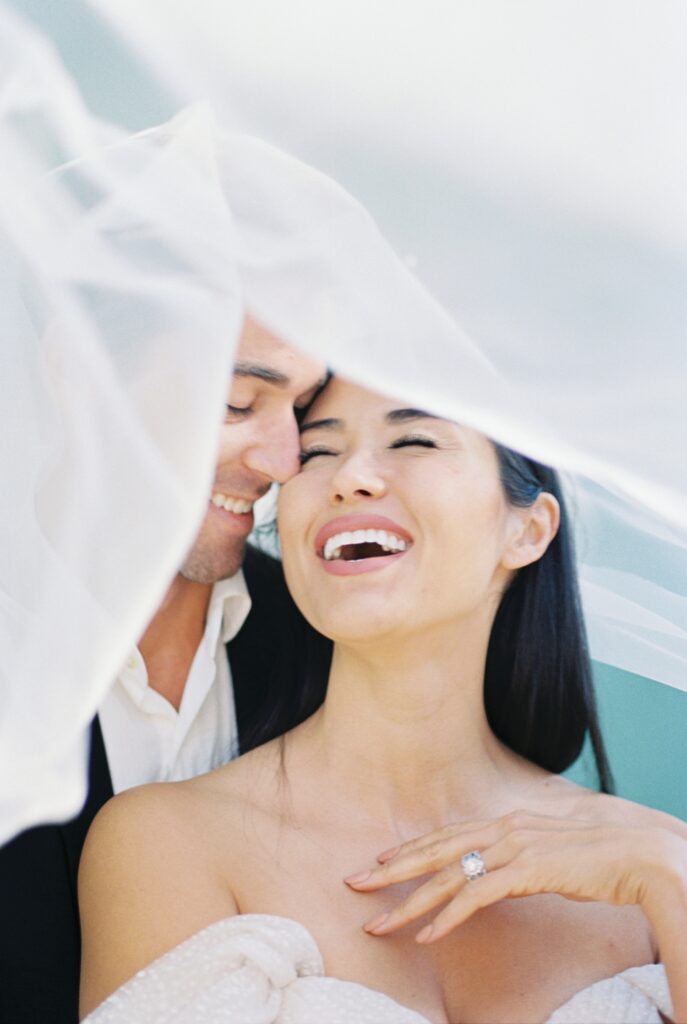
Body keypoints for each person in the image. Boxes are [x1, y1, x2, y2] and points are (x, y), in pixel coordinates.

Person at [79, 378, 687, 1024]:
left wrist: (672, 882)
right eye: (316, 454)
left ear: (528, 531)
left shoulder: (641, 870)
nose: (350, 478)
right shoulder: (170, 844)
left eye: (414, 439)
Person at [0, 316, 326, 1024]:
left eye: (303, 411)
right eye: (239, 402)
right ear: (80, 373)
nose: (284, 461)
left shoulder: (327, 641)